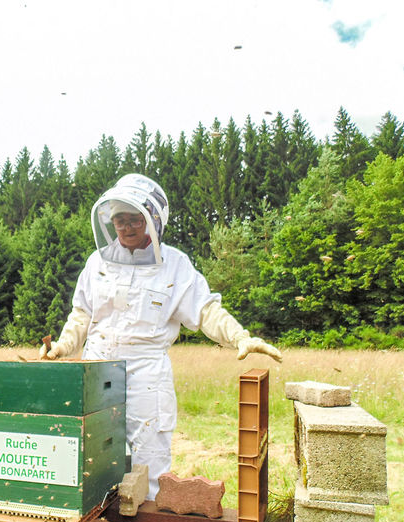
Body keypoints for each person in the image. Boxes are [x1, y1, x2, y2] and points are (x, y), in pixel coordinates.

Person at [39, 174, 282, 500]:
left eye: (135, 220)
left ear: (153, 220)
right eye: (120, 220)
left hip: (146, 372)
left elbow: (206, 310)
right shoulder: (97, 262)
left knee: (149, 455)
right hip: (96, 365)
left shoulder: (175, 265)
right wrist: (64, 346)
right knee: (93, 447)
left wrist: (240, 336)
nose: (126, 228)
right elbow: (82, 313)